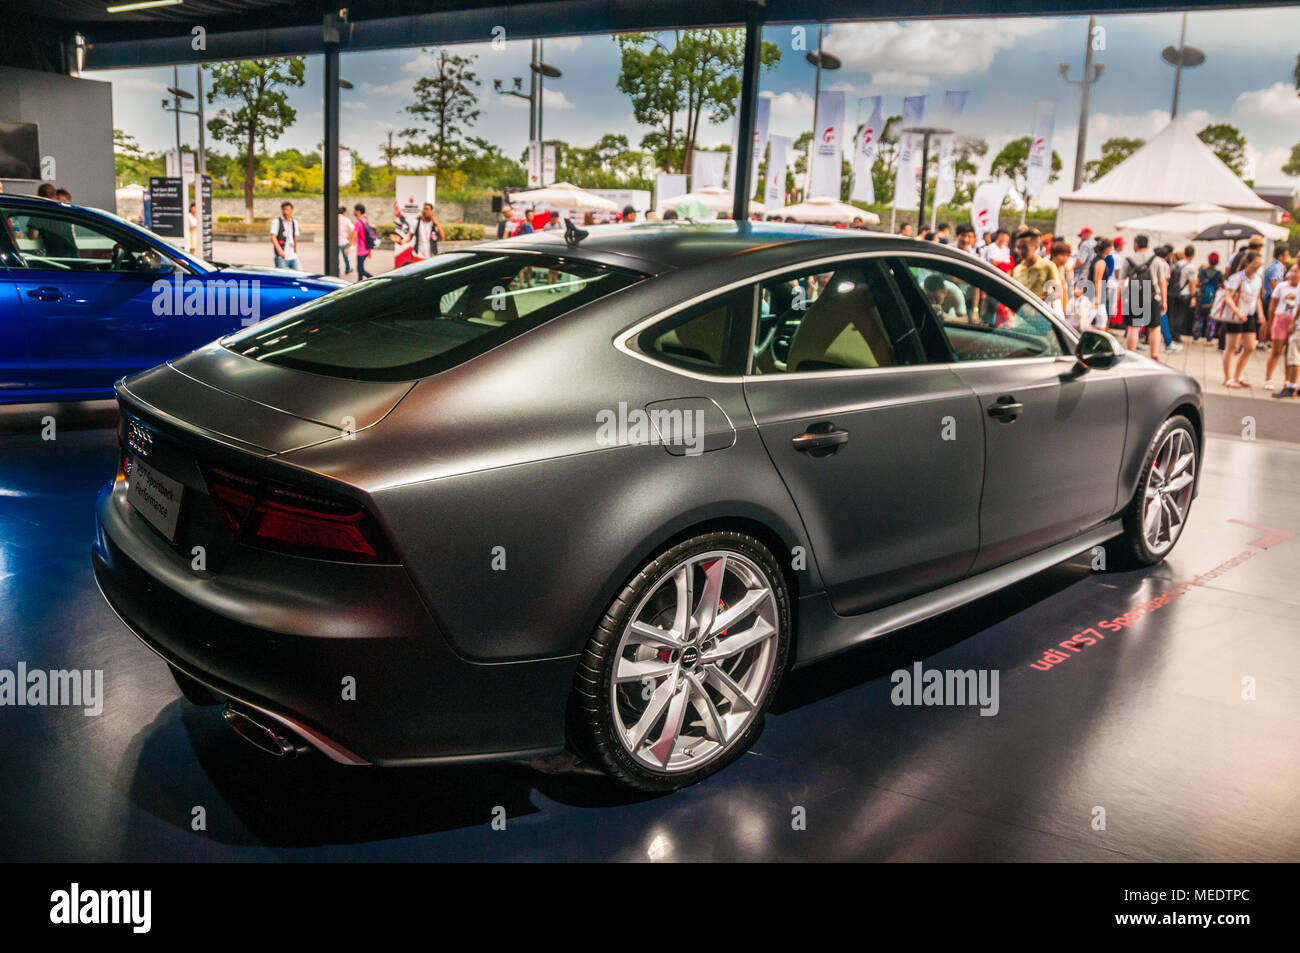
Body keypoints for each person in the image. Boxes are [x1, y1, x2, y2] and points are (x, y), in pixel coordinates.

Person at [1220, 251, 1265, 388]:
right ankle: (1228, 378)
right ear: (1247, 263)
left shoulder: (1258, 279)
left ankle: (1238, 375)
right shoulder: (1236, 278)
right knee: (1232, 347)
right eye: (1254, 264)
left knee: (1250, 347)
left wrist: (1261, 314)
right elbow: (1228, 297)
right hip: (1235, 316)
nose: (1256, 267)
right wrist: (1237, 312)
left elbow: (1257, 298)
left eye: (1259, 265)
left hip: (1249, 315)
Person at [1119, 234, 1164, 362]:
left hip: (1134, 294)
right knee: (1154, 328)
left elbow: (1121, 281)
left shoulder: (1128, 259)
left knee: (1133, 327)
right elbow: (1162, 282)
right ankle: (1154, 356)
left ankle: (1131, 356)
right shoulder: (1156, 260)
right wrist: (1164, 300)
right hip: (1152, 295)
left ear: (1136, 244)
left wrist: (1117, 299)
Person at [1265, 263, 1300, 389]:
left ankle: (1287, 379)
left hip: (1294, 321)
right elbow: (1272, 306)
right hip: (1280, 319)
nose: (1294, 274)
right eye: (1292, 271)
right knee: (1276, 351)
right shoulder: (1281, 287)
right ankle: (1268, 378)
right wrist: (1271, 322)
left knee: (1289, 353)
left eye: (1297, 272)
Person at [1011, 227, 1060, 301]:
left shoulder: (1048, 266)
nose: (1020, 252)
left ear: (1036, 246)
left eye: (1024, 248)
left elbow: (1058, 292)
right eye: (1018, 248)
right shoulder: (1017, 269)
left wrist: (1041, 300)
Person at [1168, 244, 1197, 346]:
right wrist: (1193, 297)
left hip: (1174, 292)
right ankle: (1175, 334)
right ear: (1193, 255)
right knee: (1181, 315)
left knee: (1173, 314)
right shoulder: (1191, 267)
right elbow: (1192, 283)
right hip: (1184, 293)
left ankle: (1171, 333)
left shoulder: (1178, 263)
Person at [1087, 237, 1116, 330]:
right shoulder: (1101, 262)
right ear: (1107, 248)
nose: (1112, 249)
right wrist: (1098, 298)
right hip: (1096, 294)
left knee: (1101, 319)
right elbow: (1097, 280)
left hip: (1096, 293)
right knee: (1090, 319)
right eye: (1111, 247)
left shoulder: (1098, 259)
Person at [1193, 252, 1222, 340]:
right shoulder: (1219, 274)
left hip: (1201, 298)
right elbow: (1221, 287)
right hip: (1213, 299)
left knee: (1199, 318)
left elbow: (1197, 285)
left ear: (1208, 260)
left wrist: (1196, 294)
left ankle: (1196, 336)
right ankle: (1209, 338)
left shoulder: (1202, 272)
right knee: (1211, 319)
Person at [270, 201, 300, 269]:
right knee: (284, 277)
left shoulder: (294, 222)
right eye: (283, 209)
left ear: (291, 211)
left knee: (299, 274)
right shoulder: (276, 221)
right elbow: (273, 237)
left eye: (287, 209)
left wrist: (295, 250)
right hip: (281, 257)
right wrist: (279, 251)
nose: (285, 212)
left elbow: (295, 236)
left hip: (293, 256)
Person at [353, 203, 374, 280]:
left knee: (360, 269)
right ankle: (359, 283)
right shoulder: (365, 221)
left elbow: (354, 236)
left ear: (358, 211)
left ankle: (373, 279)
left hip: (361, 250)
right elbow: (369, 236)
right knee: (360, 268)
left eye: (355, 210)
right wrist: (370, 251)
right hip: (366, 249)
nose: (354, 212)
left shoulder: (358, 222)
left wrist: (348, 247)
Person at [337, 205, 354, 274]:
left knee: (336, 258)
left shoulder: (334, 219)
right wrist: (349, 237)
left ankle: (337, 271)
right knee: (345, 256)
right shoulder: (346, 219)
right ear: (344, 212)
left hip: (335, 241)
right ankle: (347, 269)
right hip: (343, 241)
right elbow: (353, 229)